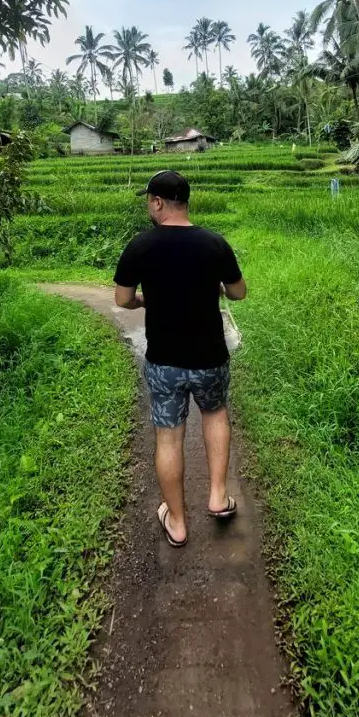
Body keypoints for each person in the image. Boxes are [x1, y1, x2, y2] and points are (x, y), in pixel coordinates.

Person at [113, 170, 246, 548]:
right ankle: (218, 496)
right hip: (210, 358)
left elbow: (122, 300)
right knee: (215, 414)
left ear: (157, 202)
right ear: (185, 202)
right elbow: (239, 293)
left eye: (148, 200)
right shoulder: (214, 244)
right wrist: (216, 285)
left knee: (169, 437)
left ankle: (177, 521)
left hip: (165, 361)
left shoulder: (139, 246)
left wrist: (144, 299)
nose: (148, 206)